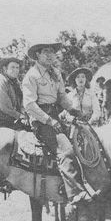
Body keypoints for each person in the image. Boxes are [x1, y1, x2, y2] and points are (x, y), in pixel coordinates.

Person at [21, 42, 89, 203]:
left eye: (52, 51)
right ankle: (75, 193)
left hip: (56, 115)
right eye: (46, 52)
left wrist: (74, 110)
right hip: (42, 120)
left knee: (83, 140)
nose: (50, 55)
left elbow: (62, 97)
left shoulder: (56, 73)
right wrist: (49, 121)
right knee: (65, 150)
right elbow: (29, 105)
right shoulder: (31, 75)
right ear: (37, 55)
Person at [0, 57, 27, 130]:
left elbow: (21, 102)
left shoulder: (15, 82)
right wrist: (20, 116)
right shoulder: (1, 81)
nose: (16, 70)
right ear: (4, 68)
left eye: (17, 67)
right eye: (12, 67)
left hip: (11, 119)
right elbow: (4, 106)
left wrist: (25, 114)